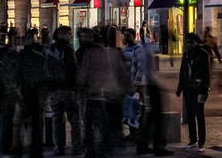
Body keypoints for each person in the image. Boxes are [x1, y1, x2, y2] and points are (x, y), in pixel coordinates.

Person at [77, 27, 130, 158]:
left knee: (90, 124)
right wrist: (126, 88)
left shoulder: (90, 53)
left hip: (93, 94)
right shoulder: (111, 53)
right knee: (105, 124)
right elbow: (120, 72)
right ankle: (107, 148)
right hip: (108, 94)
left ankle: (91, 150)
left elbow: (83, 75)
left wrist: (81, 87)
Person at [131, 28, 171, 156]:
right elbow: (143, 70)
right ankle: (157, 146)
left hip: (148, 85)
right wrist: (143, 86)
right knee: (154, 117)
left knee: (149, 117)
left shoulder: (146, 49)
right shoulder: (145, 50)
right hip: (149, 86)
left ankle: (144, 145)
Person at [46, 26, 82, 157]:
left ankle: (59, 147)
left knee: (57, 119)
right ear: (62, 35)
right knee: (74, 119)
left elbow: (47, 68)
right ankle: (76, 147)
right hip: (68, 88)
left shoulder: (50, 49)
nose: (71, 36)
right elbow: (73, 68)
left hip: (55, 89)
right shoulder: (67, 49)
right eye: (69, 34)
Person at [15, 29, 48, 158]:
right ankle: (36, 151)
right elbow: (45, 76)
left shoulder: (18, 57)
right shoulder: (40, 57)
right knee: (36, 125)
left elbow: (15, 75)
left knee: (18, 124)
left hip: (22, 92)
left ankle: (18, 150)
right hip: (36, 94)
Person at [176, 33, 210, 150]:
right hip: (188, 88)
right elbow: (182, 72)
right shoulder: (186, 55)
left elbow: (206, 74)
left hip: (199, 88)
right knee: (190, 115)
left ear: (196, 42)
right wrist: (179, 88)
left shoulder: (203, 54)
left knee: (199, 115)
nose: (188, 44)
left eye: (190, 42)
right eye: (187, 42)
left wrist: (205, 91)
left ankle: (201, 142)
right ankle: (192, 140)